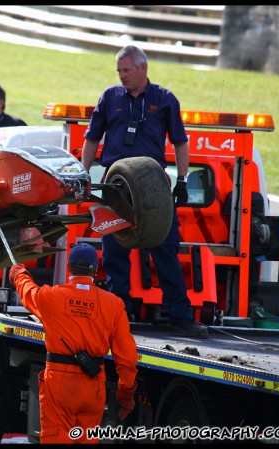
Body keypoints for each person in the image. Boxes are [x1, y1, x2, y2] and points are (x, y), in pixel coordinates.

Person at [80, 45, 207, 339]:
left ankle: (180, 317)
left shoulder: (165, 99)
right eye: (119, 71)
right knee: (114, 254)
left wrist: (184, 180)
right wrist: (83, 174)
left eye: (126, 70)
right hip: (116, 188)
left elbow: (180, 142)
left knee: (165, 250)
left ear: (142, 69)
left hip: (154, 190)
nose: (122, 76)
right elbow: (92, 138)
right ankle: (117, 317)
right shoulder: (109, 97)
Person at [8, 243, 138, 444]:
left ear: (69, 267)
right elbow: (127, 357)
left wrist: (18, 273)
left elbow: (27, 292)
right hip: (93, 385)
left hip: (59, 383)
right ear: (95, 269)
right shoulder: (113, 304)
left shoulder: (51, 297)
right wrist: (126, 395)